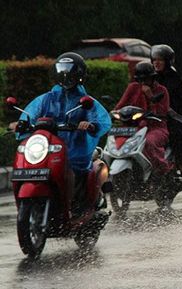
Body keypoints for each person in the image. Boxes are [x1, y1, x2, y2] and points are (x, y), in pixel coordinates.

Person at [9, 52, 111, 212]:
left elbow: (102, 120)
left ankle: (77, 206)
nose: (65, 74)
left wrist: (91, 125)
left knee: (74, 173)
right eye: (61, 70)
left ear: (78, 74)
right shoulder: (45, 99)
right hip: (48, 150)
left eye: (69, 70)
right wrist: (21, 124)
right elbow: (30, 114)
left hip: (75, 152)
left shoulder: (86, 101)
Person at [115, 62, 174, 175]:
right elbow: (120, 106)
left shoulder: (162, 91)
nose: (143, 83)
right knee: (114, 139)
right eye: (140, 80)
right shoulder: (132, 87)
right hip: (133, 127)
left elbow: (162, 112)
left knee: (149, 142)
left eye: (146, 79)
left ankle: (162, 171)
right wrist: (116, 113)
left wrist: (150, 96)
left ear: (153, 78)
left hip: (156, 127)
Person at [151, 44, 182, 176]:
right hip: (151, 116)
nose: (156, 63)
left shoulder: (173, 78)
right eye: (154, 60)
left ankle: (180, 163)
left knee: (175, 134)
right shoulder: (150, 77)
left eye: (160, 60)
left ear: (167, 62)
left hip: (171, 117)